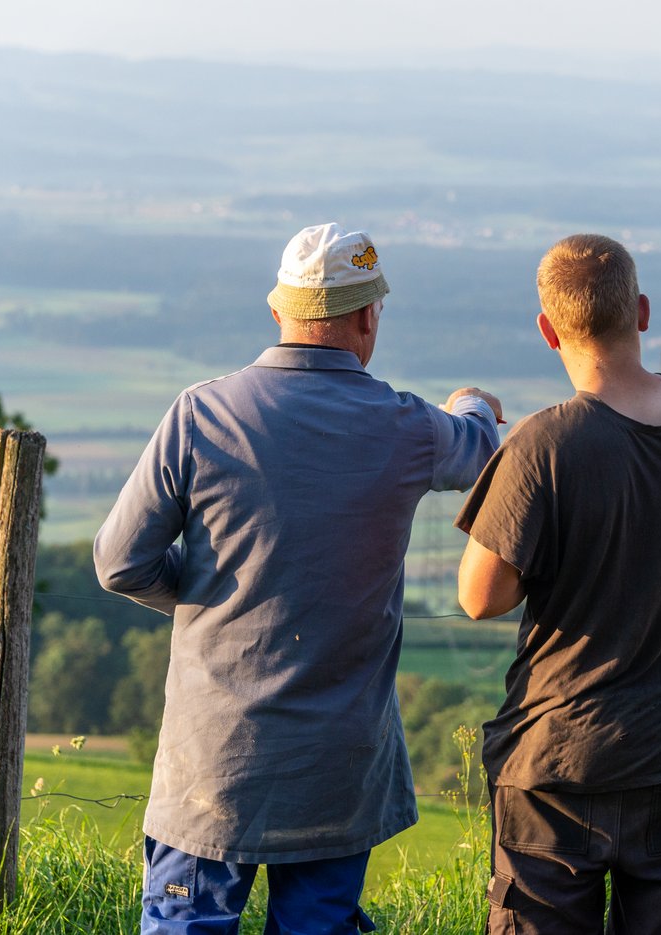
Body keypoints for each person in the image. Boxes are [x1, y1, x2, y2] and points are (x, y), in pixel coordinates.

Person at [94, 222, 502, 934]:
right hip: (338, 766)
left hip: (213, 763)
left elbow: (120, 561)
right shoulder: (408, 427)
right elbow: (479, 449)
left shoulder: (200, 414)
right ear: (368, 316)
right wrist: (472, 403)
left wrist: (210, 598)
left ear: (277, 308)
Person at [454, 233, 661, 934]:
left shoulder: (543, 446)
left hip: (559, 764)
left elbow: (481, 598)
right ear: (641, 312)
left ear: (548, 331)